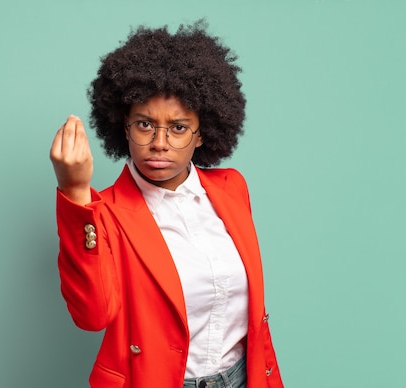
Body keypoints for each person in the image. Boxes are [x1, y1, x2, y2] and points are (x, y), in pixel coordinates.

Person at [50, 21, 284, 388]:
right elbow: (92, 316)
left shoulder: (231, 189)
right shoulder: (104, 213)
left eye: (177, 127)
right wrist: (75, 190)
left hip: (245, 378)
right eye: (145, 124)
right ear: (124, 126)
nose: (159, 142)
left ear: (202, 132)